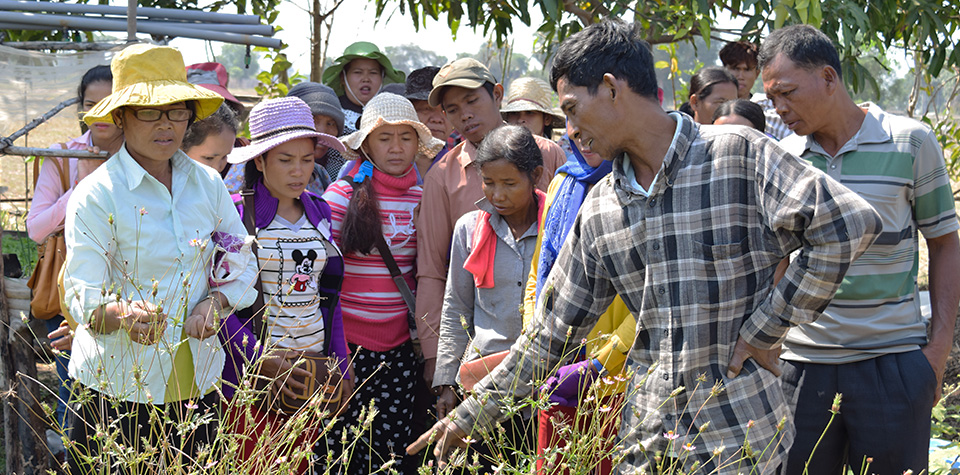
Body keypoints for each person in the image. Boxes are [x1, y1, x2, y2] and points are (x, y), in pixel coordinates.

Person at [408, 19, 883, 474]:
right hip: (647, 443)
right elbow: (550, 335)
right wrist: (471, 416)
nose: (570, 128)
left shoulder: (736, 155)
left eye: (572, 108)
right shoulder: (601, 210)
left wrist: (766, 327)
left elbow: (847, 225)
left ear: (612, 88)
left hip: (738, 438)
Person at [758, 24, 960, 475]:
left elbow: (945, 242)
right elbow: (776, 257)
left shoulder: (910, 142)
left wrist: (937, 352)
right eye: (772, 99)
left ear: (829, 78)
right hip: (801, 366)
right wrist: (770, 348)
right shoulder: (783, 158)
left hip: (892, 363)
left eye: (787, 92)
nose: (779, 108)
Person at [61, 44, 255, 473]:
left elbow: (240, 257)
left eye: (176, 111)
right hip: (116, 388)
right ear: (120, 117)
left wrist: (217, 303)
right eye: (149, 112)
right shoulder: (97, 195)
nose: (166, 124)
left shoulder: (206, 184)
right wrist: (122, 314)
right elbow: (81, 293)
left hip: (197, 382)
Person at [415, 58, 565, 392]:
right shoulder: (442, 176)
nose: (465, 115)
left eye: (472, 101)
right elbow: (434, 271)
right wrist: (436, 359)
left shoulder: (546, 155)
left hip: (548, 355)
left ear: (497, 95)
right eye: (452, 110)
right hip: (482, 357)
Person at [221, 96, 351, 474]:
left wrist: (340, 362)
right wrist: (263, 359)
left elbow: (328, 295)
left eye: (307, 160)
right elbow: (218, 305)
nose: (299, 172)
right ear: (259, 161)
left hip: (311, 376)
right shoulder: (236, 215)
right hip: (252, 379)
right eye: (285, 160)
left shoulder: (319, 210)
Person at [318, 92, 444, 474]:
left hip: (401, 349)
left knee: (389, 452)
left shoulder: (424, 198)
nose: (396, 148)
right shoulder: (341, 196)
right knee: (338, 448)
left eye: (405, 138)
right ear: (367, 144)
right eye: (384, 138)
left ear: (418, 144)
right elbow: (322, 273)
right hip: (346, 348)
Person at [433, 124, 544, 468]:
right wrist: (446, 381)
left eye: (510, 184)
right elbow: (457, 307)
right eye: (489, 183)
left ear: (535, 176)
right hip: (482, 383)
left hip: (541, 383)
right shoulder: (469, 228)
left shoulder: (556, 225)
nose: (497, 195)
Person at [529, 120, 633, 475]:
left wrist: (602, 363)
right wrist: (537, 338)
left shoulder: (637, 189)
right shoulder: (562, 182)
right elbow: (540, 267)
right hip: (557, 369)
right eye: (573, 118)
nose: (582, 133)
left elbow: (651, 298)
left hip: (614, 378)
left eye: (592, 119)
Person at [26, 64, 123, 435]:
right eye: (89, 103)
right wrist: (82, 183)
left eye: (109, 103)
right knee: (76, 384)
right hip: (72, 289)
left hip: (131, 287)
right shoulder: (64, 155)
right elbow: (36, 228)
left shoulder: (145, 157)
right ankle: (73, 452)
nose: (97, 113)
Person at [322, 41, 405, 135]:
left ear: (382, 77)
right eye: (358, 72)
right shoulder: (329, 114)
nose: (366, 79)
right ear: (343, 78)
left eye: (373, 72)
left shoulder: (395, 114)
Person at [719, 41, 790, 139]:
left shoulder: (771, 109)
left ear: (757, 74)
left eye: (747, 70)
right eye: (735, 68)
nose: (741, 76)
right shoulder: (710, 104)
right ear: (724, 70)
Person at [403, 66, 452, 176]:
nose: (437, 119)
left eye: (445, 110)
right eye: (426, 109)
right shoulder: (385, 162)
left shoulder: (461, 169)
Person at [181, 102, 239, 176]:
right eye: (209, 158)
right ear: (180, 147)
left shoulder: (215, 184)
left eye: (224, 157)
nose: (218, 168)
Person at [501, 77, 566, 138]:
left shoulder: (556, 150)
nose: (520, 120)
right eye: (514, 113)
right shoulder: (497, 149)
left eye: (529, 112)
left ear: (547, 119)